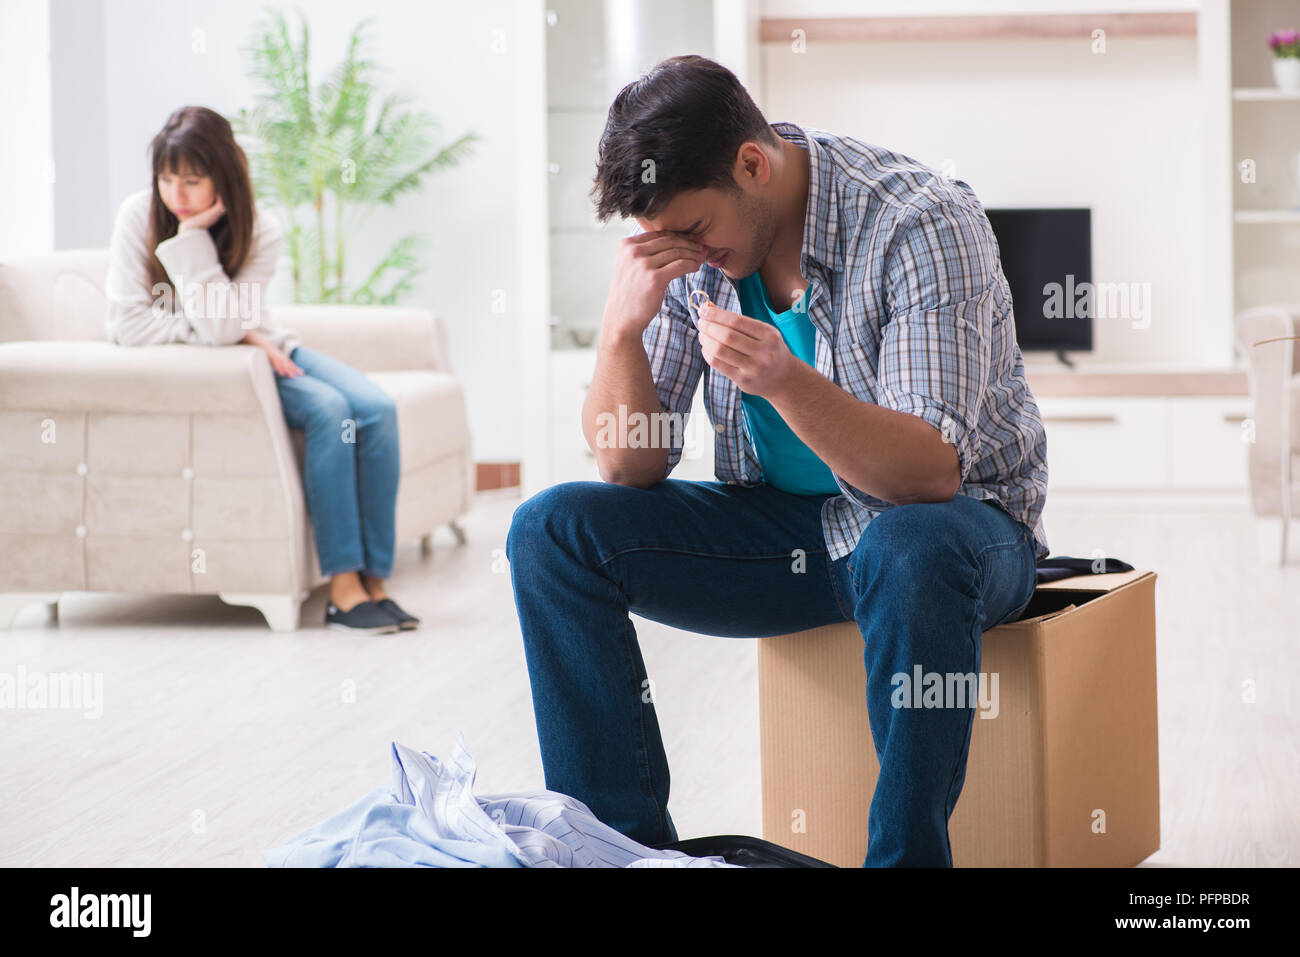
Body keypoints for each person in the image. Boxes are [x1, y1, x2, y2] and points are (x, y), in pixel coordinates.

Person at [505, 56, 1050, 866]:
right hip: (784, 531)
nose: (689, 252)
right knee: (551, 529)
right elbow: (631, 466)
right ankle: (620, 854)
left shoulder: (921, 221)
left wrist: (787, 383)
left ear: (752, 166)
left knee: (910, 543)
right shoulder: (692, 253)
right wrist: (619, 331)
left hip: (959, 533)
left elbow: (928, 475)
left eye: (693, 230)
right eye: (665, 237)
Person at [104, 105, 420, 635]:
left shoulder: (260, 228)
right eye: (166, 178)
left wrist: (243, 331)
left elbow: (232, 324)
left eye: (192, 180)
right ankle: (342, 589)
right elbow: (128, 326)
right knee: (329, 410)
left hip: (258, 347)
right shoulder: (138, 217)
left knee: (376, 409)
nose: (175, 194)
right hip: (214, 363)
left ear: (222, 176)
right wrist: (191, 245)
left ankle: (375, 582)